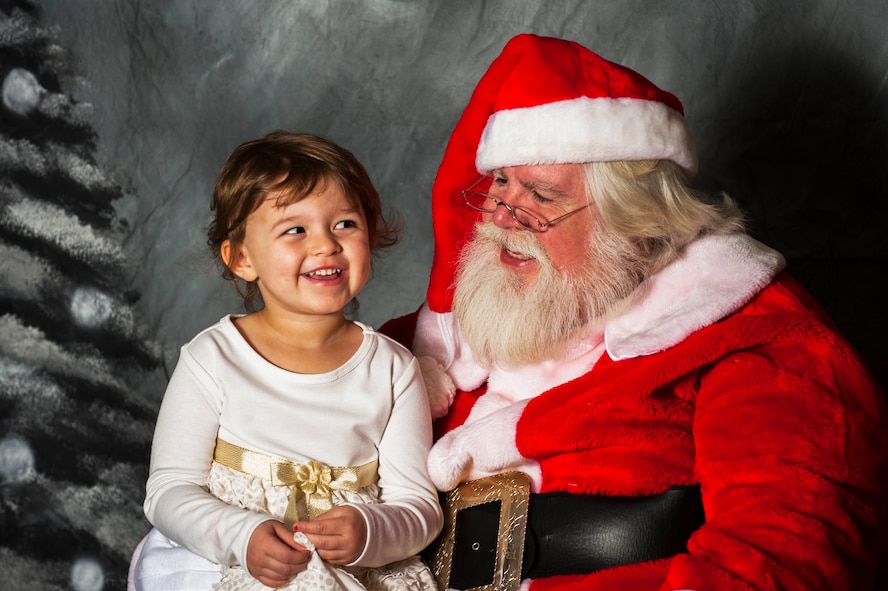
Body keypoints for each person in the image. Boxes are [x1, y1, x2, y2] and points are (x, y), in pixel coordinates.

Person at [377, 34, 888, 590]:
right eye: (501, 182)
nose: (502, 215)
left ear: (637, 221)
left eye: (541, 197)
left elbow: (783, 557)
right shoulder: (419, 347)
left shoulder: (760, 342)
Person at [128, 131, 443, 591]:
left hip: (354, 573)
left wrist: (369, 532)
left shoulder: (394, 370)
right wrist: (243, 534)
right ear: (241, 258)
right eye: (295, 229)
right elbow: (168, 492)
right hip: (231, 561)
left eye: (345, 224)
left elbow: (418, 506)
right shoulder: (212, 358)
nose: (325, 245)